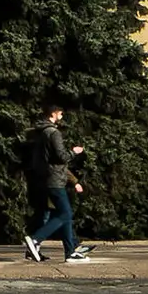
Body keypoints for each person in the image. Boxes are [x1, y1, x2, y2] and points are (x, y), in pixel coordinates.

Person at [22, 106, 91, 266]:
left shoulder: (41, 133)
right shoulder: (53, 133)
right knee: (65, 214)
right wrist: (74, 152)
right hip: (55, 179)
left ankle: (70, 252)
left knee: (61, 214)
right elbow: (62, 157)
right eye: (60, 112)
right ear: (53, 113)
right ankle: (35, 240)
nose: (62, 114)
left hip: (46, 178)